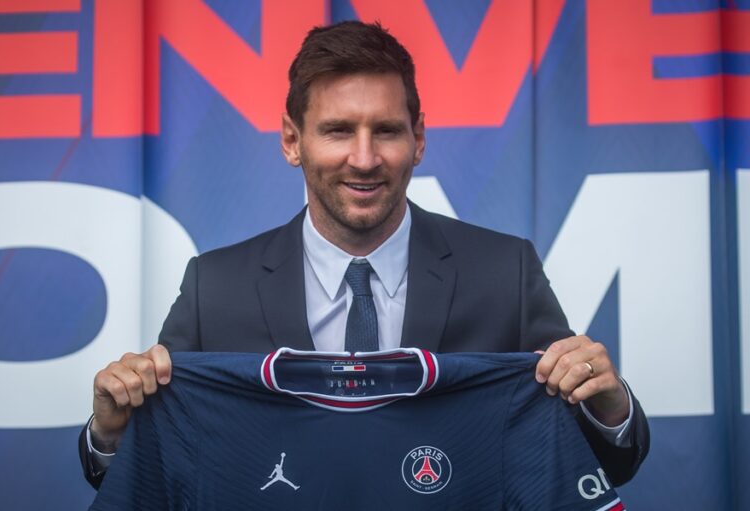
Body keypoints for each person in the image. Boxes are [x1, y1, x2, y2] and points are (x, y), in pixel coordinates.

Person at [79, 20, 649, 490]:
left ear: (419, 139)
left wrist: (609, 405)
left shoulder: (506, 271)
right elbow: (154, 471)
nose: (364, 157)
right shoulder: (215, 288)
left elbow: (602, 467)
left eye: (386, 131)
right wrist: (109, 432)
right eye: (336, 131)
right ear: (292, 141)